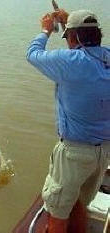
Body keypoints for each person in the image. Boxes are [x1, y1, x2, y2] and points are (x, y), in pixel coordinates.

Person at [26, 8, 110, 233]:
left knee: (58, 212)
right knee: (79, 204)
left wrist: (45, 30)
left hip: (74, 154)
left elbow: (32, 54)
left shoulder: (70, 62)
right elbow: (84, 54)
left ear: (73, 38)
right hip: (103, 153)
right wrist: (70, 25)